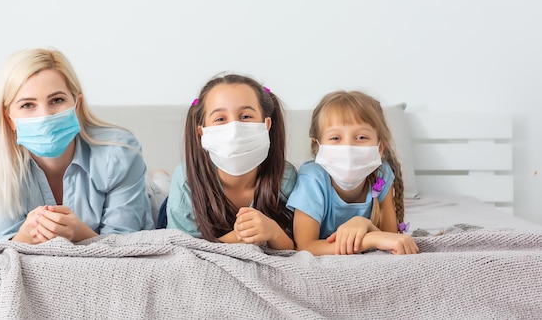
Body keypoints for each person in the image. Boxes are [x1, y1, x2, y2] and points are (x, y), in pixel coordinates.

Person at [0, 48, 154, 243]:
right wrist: (25, 237)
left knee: (157, 188)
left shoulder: (120, 153)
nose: (45, 116)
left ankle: (160, 179)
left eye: (57, 100)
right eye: (27, 105)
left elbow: (124, 243)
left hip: (148, 200)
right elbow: (2, 244)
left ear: (76, 106)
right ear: (9, 119)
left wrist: (79, 232)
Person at [164, 74, 296, 250]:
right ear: (202, 132)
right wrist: (237, 237)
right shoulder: (185, 179)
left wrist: (273, 231)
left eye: (246, 116)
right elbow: (182, 248)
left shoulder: (286, 178)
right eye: (220, 119)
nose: (234, 129)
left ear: (267, 124)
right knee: (160, 190)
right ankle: (160, 181)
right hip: (176, 211)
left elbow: (295, 245)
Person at [287, 90, 419, 255]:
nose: (348, 148)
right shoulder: (313, 178)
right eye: (335, 138)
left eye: (361, 137)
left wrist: (365, 224)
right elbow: (305, 246)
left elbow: (390, 237)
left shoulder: (382, 175)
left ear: (380, 147)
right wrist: (369, 239)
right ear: (317, 146)